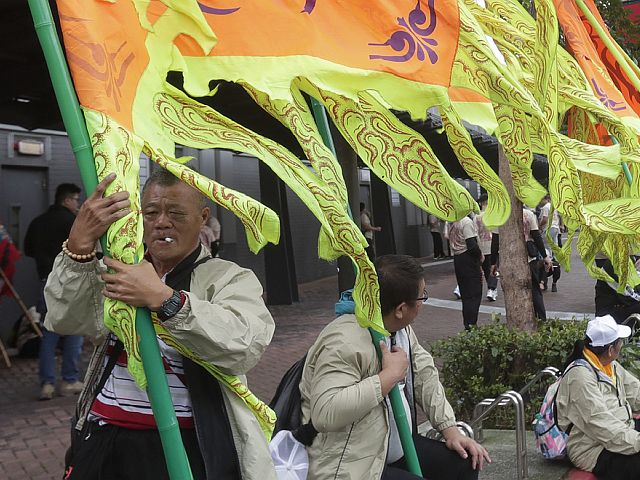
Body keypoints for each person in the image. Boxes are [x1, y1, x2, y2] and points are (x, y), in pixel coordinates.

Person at [44, 171, 276, 480]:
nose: (162, 222)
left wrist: (166, 301)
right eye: (151, 212)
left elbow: (243, 347)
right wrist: (79, 248)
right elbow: (65, 319)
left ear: (203, 217)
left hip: (182, 445)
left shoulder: (228, 277)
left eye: (177, 213)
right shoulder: (120, 269)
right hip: (102, 436)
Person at [299, 255, 490, 480]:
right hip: (352, 465)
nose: (422, 303)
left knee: (464, 463)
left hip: (393, 447)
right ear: (400, 308)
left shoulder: (400, 329)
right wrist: (388, 377)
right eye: (422, 296)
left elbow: (424, 375)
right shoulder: (343, 341)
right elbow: (325, 412)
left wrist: (450, 430)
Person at [556, 315, 640, 479]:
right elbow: (602, 425)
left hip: (621, 431)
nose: (622, 345)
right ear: (610, 349)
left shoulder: (608, 364)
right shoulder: (580, 377)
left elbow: (635, 391)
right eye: (619, 342)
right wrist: (637, 441)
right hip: (591, 448)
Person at [24, 183, 84, 400]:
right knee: (74, 332)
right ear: (67, 200)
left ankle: (47, 384)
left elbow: (28, 250)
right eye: (76, 199)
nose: (77, 204)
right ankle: (69, 380)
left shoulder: (38, 222)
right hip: (71, 283)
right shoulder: (74, 223)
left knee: (49, 333)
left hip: (46, 283)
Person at [491, 207, 552, 320]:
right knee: (534, 289)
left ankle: (520, 320)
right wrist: (545, 256)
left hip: (508, 259)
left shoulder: (499, 213)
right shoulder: (528, 214)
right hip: (528, 258)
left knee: (513, 290)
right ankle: (541, 319)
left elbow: (495, 241)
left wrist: (493, 263)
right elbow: (536, 236)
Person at [447, 216, 483, 329]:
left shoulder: (452, 222)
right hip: (468, 259)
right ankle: (472, 324)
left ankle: (468, 323)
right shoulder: (466, 222)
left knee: (466, 295)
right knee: (474, 293)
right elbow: (472, 245)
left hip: (458, 258)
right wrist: (480, 256)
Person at [595, 256, 640, 323]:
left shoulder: (634, 259)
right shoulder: (616, 263)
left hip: (626, 306)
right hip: (608, 318)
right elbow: (632, 297)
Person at [474, 195, 498, 302]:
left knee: (482, 268)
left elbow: (475, 234)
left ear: (480, 204)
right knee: (492, 269)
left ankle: (460, 289)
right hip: (492, 246)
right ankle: (491, 290)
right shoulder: (493, 215)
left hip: (481, 246)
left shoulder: (476, 217)